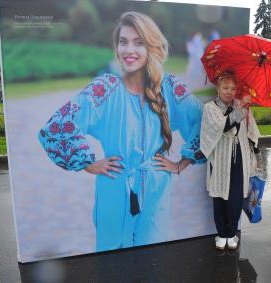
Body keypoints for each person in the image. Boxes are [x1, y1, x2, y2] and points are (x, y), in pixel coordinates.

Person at [38, 11, 206, 252]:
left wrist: (182, 163)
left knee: (152, 258)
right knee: (112, 258)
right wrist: (87, 162)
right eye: (123, 41)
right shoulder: (104, 88)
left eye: (139, 42)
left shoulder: (169, 87)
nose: (129, 50)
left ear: (151, 47)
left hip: (156, 187)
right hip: (114, 185)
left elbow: (204, 121)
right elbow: (58, 125)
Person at [200, 71, 261, 251]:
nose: (229, 91)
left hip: (239, 158)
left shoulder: (240, 105)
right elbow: (223, 126)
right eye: (225, 87)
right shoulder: (210, 108)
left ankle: (232, 232)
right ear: (218, 89)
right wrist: (242, 110)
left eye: (233, 88)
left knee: (235, 198)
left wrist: (258, 156)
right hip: (219, 159)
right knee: (219, 197)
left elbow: (252, 132)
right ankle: (221, 233)